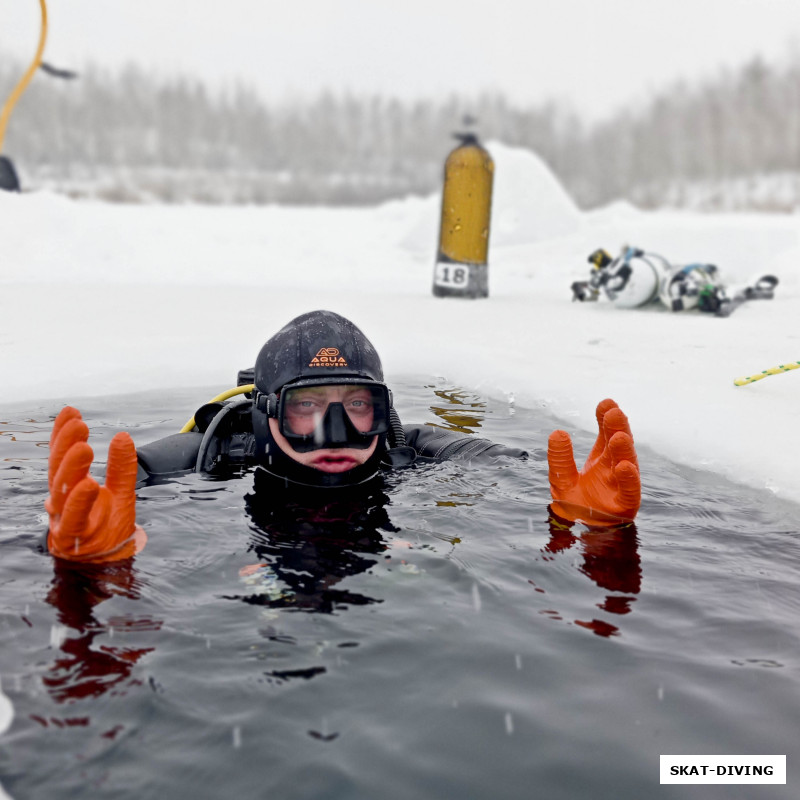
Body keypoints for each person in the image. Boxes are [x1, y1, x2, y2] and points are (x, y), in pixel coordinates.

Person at [44, 310, 641, 564]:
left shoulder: (404, 448)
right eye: (307, 407)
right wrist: (87, 556)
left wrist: (584, 525)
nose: (338, 433)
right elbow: (134, 474)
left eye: (357, 406)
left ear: (385, 410)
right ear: (266, 414)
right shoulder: (225, 449)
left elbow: (497, 461)